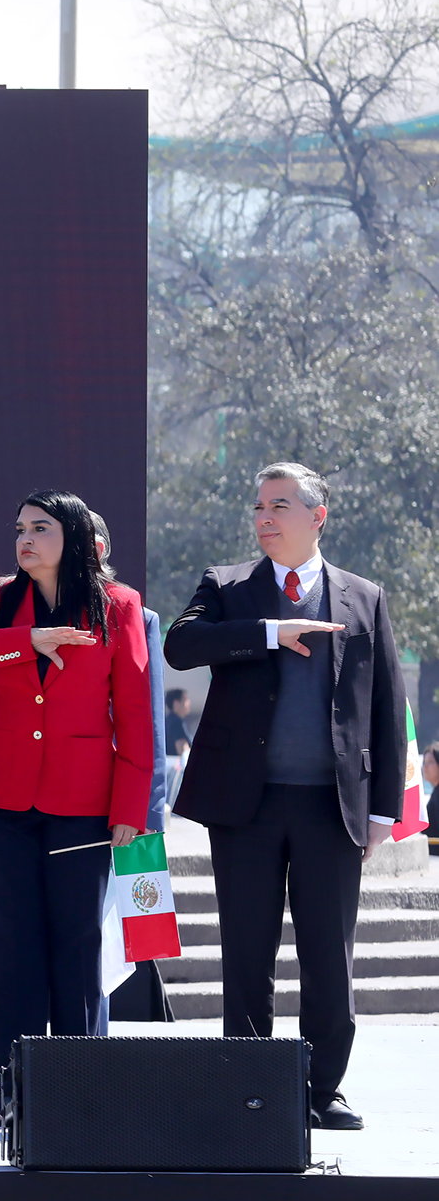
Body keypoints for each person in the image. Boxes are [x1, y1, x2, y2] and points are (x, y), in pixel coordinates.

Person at [165, 462, 404, 1131]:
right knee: (246, 949)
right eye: (259, 507)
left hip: (331, 806)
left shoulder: (363, 596)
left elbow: (385, 704)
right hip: (247, 804)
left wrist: (383, 807)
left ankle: (323, 1088)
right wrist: (270, 632)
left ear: (317, 515)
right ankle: (248, 1084)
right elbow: (182, 645)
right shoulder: (228, 586)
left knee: (330, 953)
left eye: (279, 506)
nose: (264, 518)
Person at [0, 489, 152, 1104]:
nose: (25, 539)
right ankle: (5, 1076)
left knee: (77, 938)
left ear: (77, 538)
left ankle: (75, 1073)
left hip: (84, 799)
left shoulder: (119, 605)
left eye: (41, 528)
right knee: (13, 936)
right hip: (3, 795)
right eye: (19, 529)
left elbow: (136, 715)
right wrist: (24, 640)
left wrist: (130, 810)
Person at [165, 688, 193, 787]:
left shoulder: (166, 720)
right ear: (176, 703)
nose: (189, 703)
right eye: (185, 700)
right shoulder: (177, 722)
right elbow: (182, 750)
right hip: (176, 776)